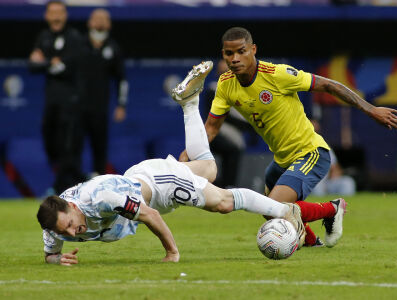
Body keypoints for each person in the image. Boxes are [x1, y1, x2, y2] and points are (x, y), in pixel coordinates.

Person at [36, 61, 305, 266]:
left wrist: (172, 253)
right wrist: (57, 259)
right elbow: (50, 253)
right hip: (140, 178)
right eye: (66, 231)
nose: (74, 231)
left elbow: (150, 216)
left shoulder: (102, 198)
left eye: (71, 223)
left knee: (222, 202)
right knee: (209, 169)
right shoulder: (55, 225)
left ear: (73, 206)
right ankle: (189, 103)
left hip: (158, 187)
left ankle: (285, 211)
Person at [179, 27, 397, 247]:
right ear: (223, 54)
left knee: (274, 204)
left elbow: (329, 85)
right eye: (229, 53)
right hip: (281, 160)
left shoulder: (278, 74)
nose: (235, 58)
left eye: (241, 51)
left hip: (310, 153)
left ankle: (332, 209)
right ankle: (312, 243)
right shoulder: (226, 85)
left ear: (253, 50)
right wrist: (190, 152)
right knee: (268, 211)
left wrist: (371, 109)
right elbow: (211, 128)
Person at [29, 0, 85, 194]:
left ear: (65, 15)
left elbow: (69, 66)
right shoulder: (43, 37)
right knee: (49, 140)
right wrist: (49, 63)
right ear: (46, 16)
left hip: (70, 100)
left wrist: (45, 61)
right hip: (51, 100)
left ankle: (62, 188)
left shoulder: (74, 37)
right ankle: (82, 179)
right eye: (52, 12)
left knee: (67, 146)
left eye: (59, 12)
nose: (56, 16)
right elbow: (32, 66)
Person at [80, 8, 129, 176]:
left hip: (100, 108)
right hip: (77, 107)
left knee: (99, 148)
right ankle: (70, 185)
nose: (100, 21)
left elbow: (121, 79)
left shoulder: (113, 48)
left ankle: (98, 183)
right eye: (96, 18)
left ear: (109, 24)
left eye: (104, 18)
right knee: (72, 148)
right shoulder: (79, 44)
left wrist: (121, 105)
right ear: (89, 22)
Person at [203, 60, 250, 188]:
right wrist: (246, 125)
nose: (225, 75)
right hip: (215, 132)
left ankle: (227, 185)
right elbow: (221, 115)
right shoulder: (213, 88)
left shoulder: (241, 89)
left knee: (234, 149)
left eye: (228, 72)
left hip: (234, 133)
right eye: (222, 72)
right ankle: (227, 185)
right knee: (232, 150)